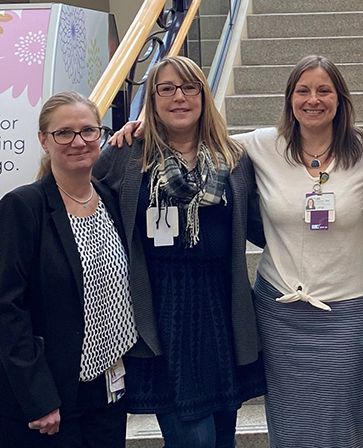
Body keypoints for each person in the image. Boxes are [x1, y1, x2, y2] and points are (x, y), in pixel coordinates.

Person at [111, 54, 363, 448]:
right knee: (289, 422)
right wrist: (145, 125)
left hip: (351, 310)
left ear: (340, 99)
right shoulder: (260, 146)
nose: (313, 99)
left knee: (343, 420)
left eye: (324, 90)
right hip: (280, 311)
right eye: (303, 90)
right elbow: (197, 137)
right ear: (290, 99)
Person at [93, 55, 266, 448]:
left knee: (223, 437)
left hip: (220, 309)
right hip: (159, 312)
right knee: (195, 439)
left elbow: (264, 227)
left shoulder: (233, 158)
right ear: (151, 100)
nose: (179, 97)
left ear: (204, 96)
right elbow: (70, 196)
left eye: (189, 87)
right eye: (166, 89)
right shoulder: (127, 152)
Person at [0, 91, 138, 447]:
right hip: (47, 400)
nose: (78, 141)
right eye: (64, 133)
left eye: (88, 131)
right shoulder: (22, 207)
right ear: (44, 140)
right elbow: (8, 310)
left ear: (101, 136)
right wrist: (40, 400)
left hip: (107, 392)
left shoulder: (109, 198)